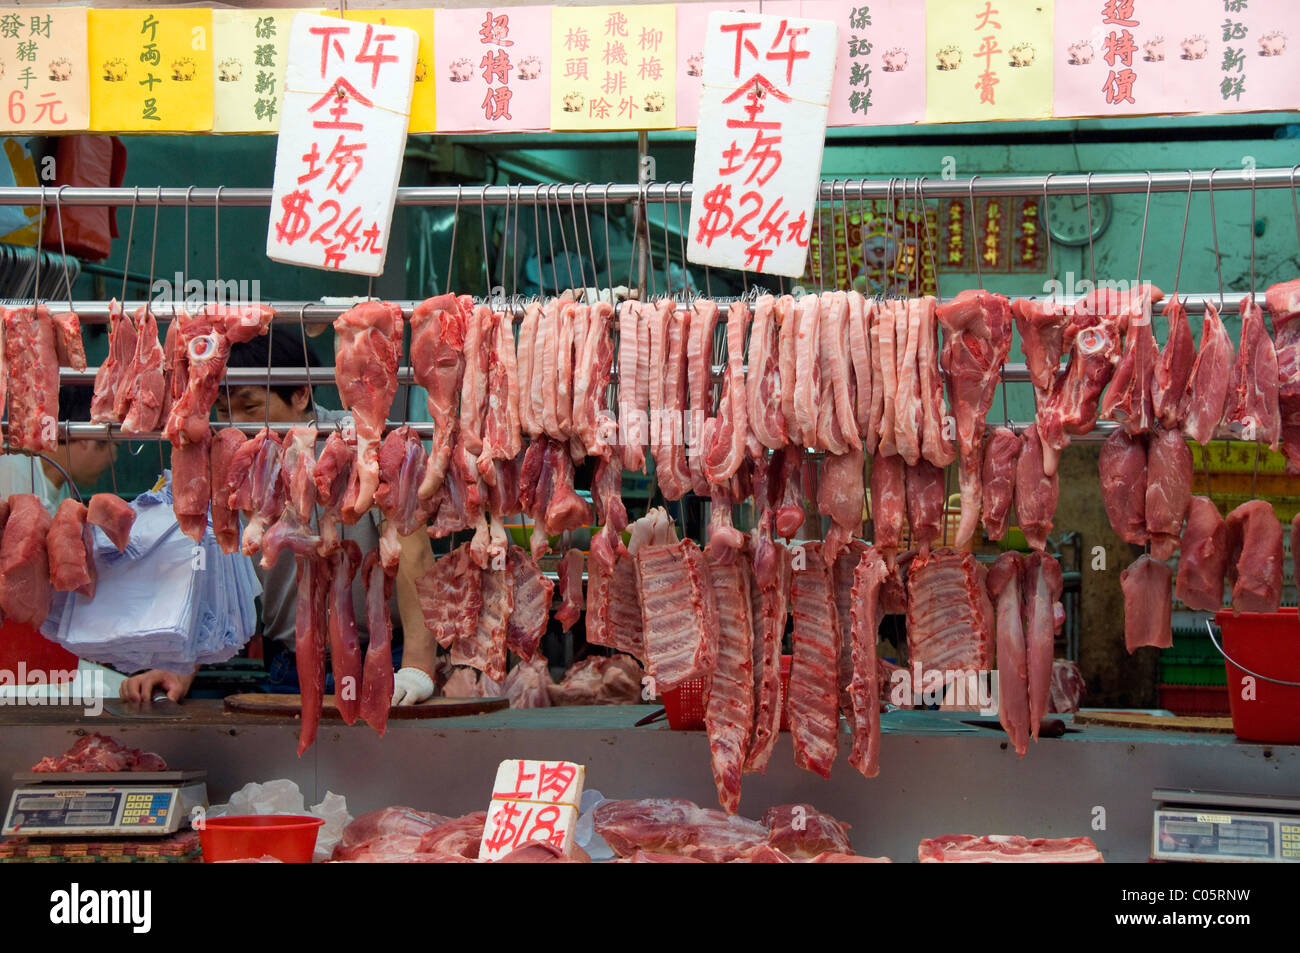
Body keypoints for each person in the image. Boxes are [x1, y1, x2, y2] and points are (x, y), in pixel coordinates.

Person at [120, 328, 438, 705]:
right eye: (223, 410)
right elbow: (212, 565)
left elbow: (412, 550)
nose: (237, 423)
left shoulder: (365, 444)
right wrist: (183, 662)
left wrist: (418, 667)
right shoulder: (223, 458)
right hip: (289, 664)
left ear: (301, 393)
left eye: (250, 407)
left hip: (385, 660)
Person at [0, 385, 116, 509]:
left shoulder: (63, 486)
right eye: (115, 444)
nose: (113, 457)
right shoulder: (13, 468)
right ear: (85, 438)